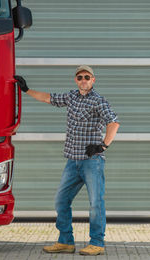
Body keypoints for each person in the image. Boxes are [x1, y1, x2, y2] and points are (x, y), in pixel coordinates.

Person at [14, 65, 120, 256]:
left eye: (87, 77)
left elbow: (113, 122)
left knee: (96, 203)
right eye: (80, 77)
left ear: (93, 80)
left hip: (91, 162)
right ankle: (66, 241)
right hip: (72, 161)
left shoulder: (99, 101)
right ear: (76, 80)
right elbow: (48, 98)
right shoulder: (71, 97)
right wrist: (26, 90)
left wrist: (103, 145)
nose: (83, 80)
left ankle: (97, 243)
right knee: (61, 201)